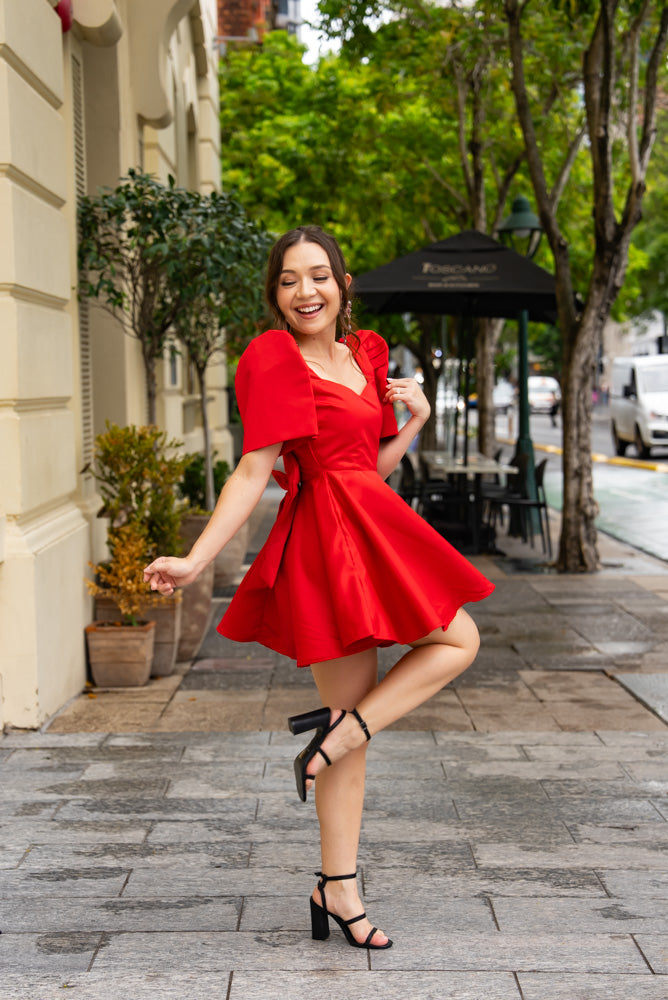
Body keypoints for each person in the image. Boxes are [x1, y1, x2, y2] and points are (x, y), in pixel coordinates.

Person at [144, 225, 494, 951]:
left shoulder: (367, 354)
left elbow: (368, 465)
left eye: (318, 276)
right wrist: (196, 559)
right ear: (275, 296)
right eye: (288, 281)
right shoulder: (274, 359)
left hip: (374, 526)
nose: (305, 291)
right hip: (323, 546)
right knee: (353, 730)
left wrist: (417, 423)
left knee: (458, 640)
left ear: (343, 284)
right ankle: (340, 886)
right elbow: (251, 471)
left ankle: (333, 745)